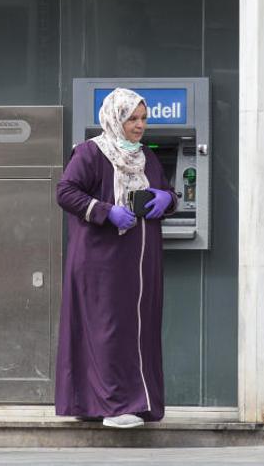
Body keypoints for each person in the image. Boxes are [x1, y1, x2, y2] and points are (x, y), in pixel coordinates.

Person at [55, 88, 176, 428]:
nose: (140, 126)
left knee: (139, 329)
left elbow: (165, 189)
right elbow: (66, 192)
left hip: (140, 262)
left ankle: (137, 403)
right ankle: (114, 406)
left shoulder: (145, 157)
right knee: (107, 328)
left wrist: (168, 199)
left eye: (143, 118)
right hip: (101, 261)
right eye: (132, 119)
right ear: (114, 119)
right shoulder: (91, 153)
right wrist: (105, 212)